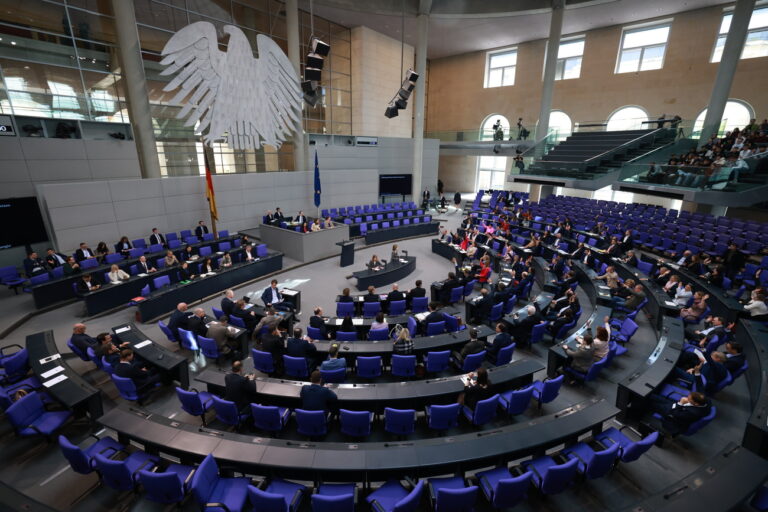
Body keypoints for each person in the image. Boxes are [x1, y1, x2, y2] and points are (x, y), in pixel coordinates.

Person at [647, 391, 712, 436]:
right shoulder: (707, 401)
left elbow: (675, 413)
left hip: (673, 416)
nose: (686, 398)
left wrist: (680, 403)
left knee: (651, 403)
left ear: (696, 403)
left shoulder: (693, 413)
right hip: (677, 407)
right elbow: (700, 387)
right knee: (653, 396)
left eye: (689, 399)